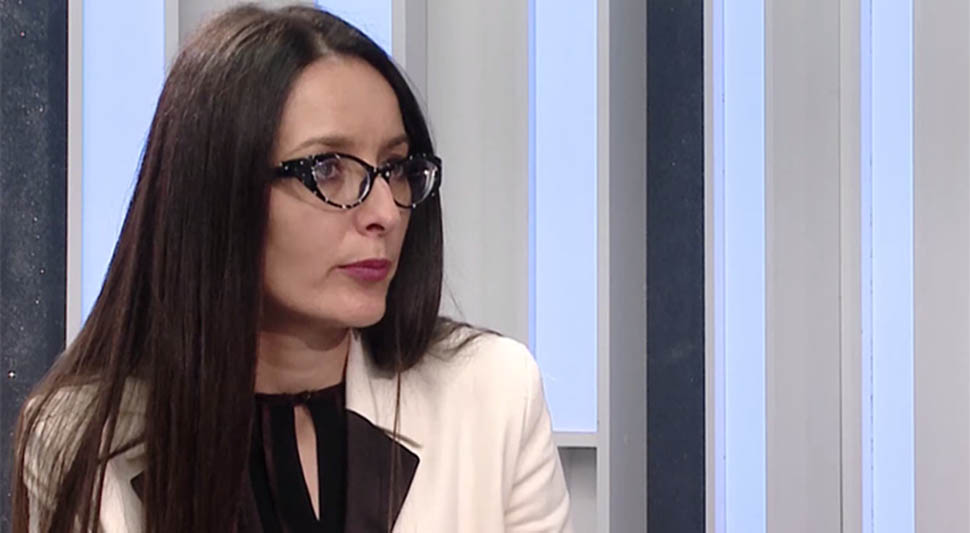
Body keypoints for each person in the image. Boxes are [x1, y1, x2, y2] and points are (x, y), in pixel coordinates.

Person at [11, 5, 572, 533]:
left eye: (396, 167)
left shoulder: (494, 395)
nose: (384, 212)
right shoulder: (81, 439)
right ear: (220, 192)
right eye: (327, 169)